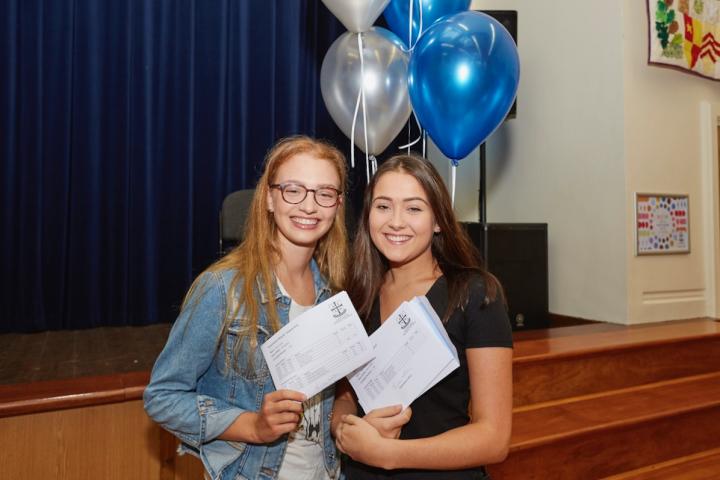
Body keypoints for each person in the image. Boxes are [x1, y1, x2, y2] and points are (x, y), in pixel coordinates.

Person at [144, 135, 348, 480]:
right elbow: (162, 397)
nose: (309, 206)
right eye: (293, 190)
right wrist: (253, 426)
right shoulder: (223, 288)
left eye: (324, 193)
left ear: (338, 205)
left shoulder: (333, 294)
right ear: (269, 198)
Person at [332, 154, 513, 479]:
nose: (396, 221)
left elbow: (494, 438)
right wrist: (344, 429)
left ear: (438, 220)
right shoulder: (357, 294)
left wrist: (389, 453)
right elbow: (345, 395)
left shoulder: (474, 294)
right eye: (383, 206)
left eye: (414, 208)